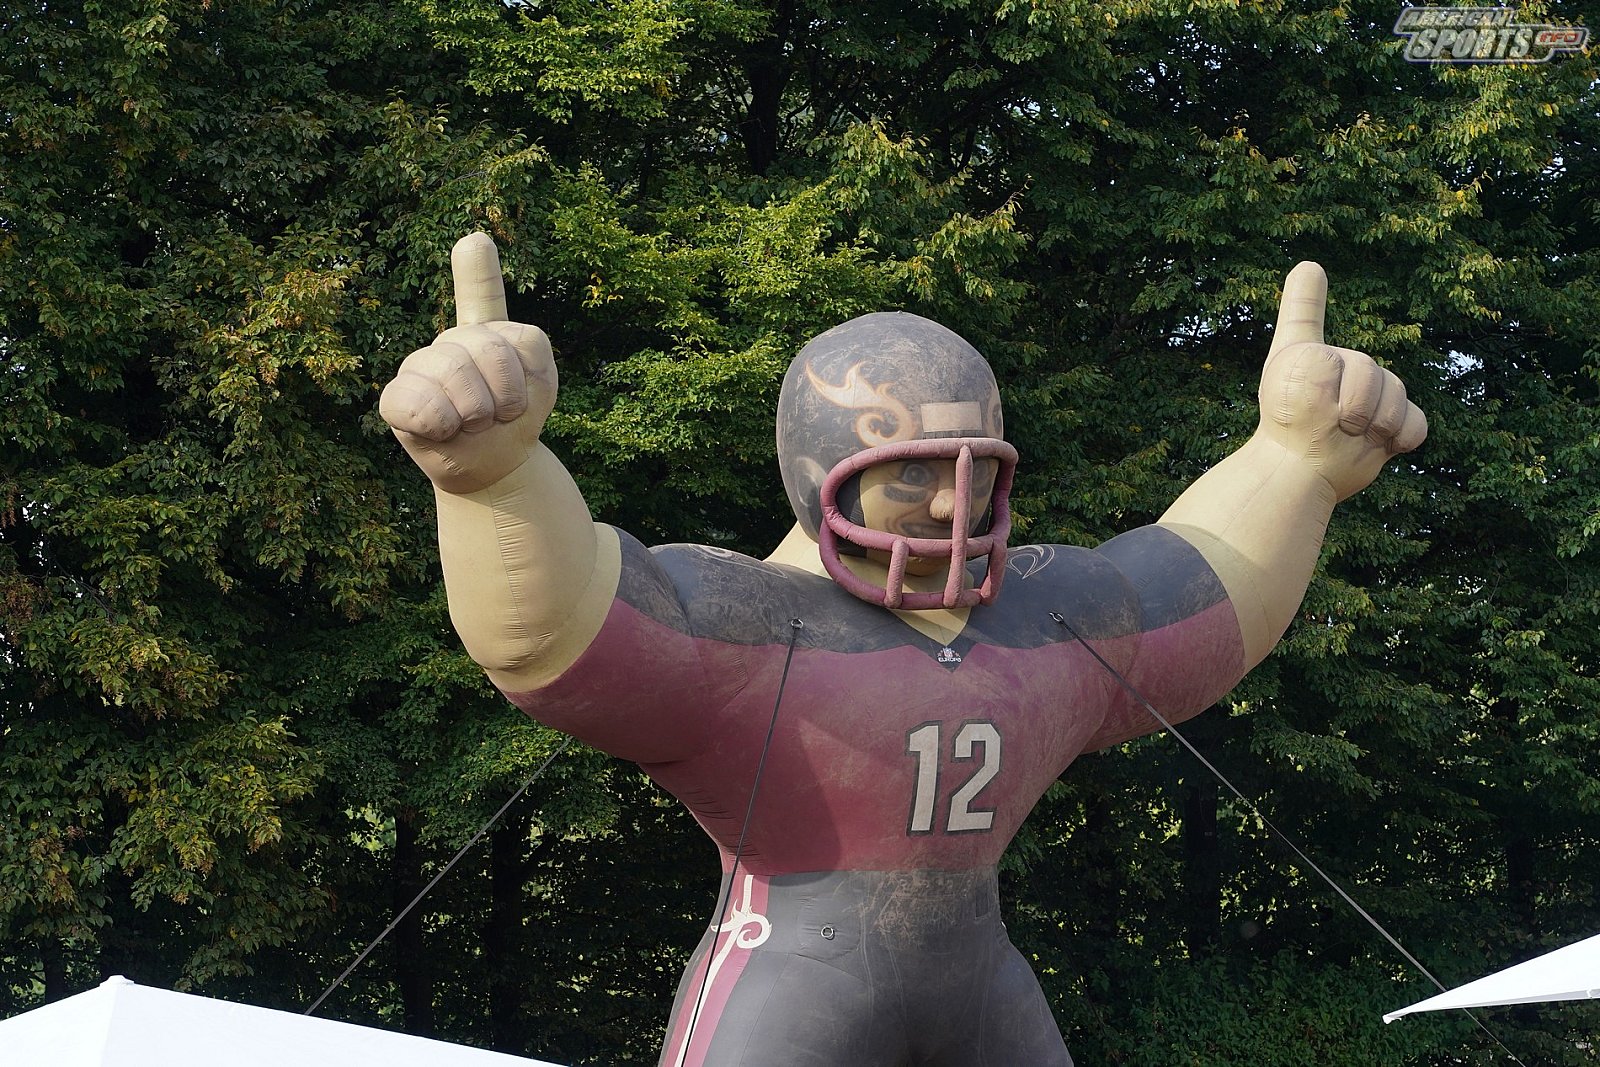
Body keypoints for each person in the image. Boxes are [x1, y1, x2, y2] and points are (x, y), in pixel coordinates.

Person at [380, 233, 1426, 1066]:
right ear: (818, 477)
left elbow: (1197, 601)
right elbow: (562, 631)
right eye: (913, 472)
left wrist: (1295, 462)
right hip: (794, 980)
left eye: (973, 471)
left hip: (979, 979)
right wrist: (495, 480)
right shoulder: (753, 618)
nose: (946, 506)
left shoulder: (1046, 616)